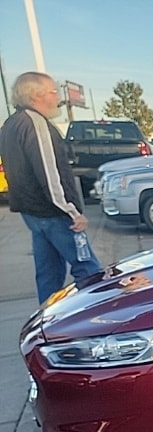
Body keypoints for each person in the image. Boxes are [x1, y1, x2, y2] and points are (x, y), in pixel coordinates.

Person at [0, 71, 103, 304]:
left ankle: (47, 322)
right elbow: (49, 173)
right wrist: (72, 211)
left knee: (48, 274)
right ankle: (95, 320)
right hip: (55, 214)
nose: (58, 97)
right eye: (54, 91)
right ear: (36, 95)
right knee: (88, 270)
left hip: (33, 214)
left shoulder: (11, 124)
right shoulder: (35, 123)